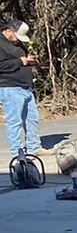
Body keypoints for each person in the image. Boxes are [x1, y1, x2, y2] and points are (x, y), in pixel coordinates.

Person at [0, 15, 39, 163]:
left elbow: (21, 60)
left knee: (32, 119)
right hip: (9, 87)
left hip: (25, 87)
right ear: (9, 31)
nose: (18, 40)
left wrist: (29, 61)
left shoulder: (17, 44)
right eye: (17, 37)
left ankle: (34, 148)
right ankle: (17, 153)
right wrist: (19, 61)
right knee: (14, 122)